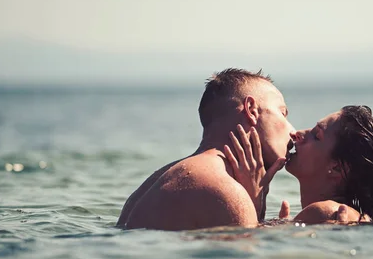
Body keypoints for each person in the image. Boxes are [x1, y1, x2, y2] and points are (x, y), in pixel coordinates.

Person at [116, 68, 294, 231]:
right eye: (282, 113)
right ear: (252, 110)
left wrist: (255, 205)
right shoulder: (226, 192)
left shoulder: (152, 184)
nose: (293, 132)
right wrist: (251, 208)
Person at [225, 105, 373, 224]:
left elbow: (245, 246)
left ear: (337, 168)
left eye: (316, 136)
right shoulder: (327, 214)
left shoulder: (323, 212)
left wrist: (252, 200)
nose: (297, 133)